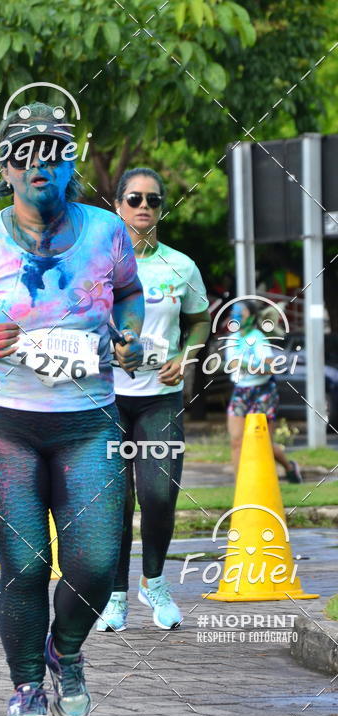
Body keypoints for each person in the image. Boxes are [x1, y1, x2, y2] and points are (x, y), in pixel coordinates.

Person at [0, 103, 144, 716]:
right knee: (26, 563)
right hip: (1, 422)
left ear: (69, 164)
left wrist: (129, 336)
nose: (38, 165)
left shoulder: (107, 232)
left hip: (88, 421)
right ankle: (27, 686)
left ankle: (68, 651)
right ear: (4, 167)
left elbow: (131, 296)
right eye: (23, 154)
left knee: (94, 563)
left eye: (52, 152)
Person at [98, 167, 211, 633]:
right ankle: (117, 595)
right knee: (116, 502)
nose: (144, 207)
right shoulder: (98, 266)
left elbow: (202, 322)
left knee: (159, 495)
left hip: (160, 398)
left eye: (153, 200)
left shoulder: (180, 266)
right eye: (134, 199)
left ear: (162, 207)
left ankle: (155, 582)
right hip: (105, 398)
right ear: (118, 206)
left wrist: (186, 359)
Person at [225, 299, 301, 481]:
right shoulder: (231, 339)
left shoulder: (258, 338)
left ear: (251, 317)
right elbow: (231, 365)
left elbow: (270, 367)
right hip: (240, 391)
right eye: (233, 313)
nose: (235, 317)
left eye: (240, 314)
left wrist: (245, 364)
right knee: (237, 441)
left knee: (262, 442)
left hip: (263, 391)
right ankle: (241, 486)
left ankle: (289, 467)